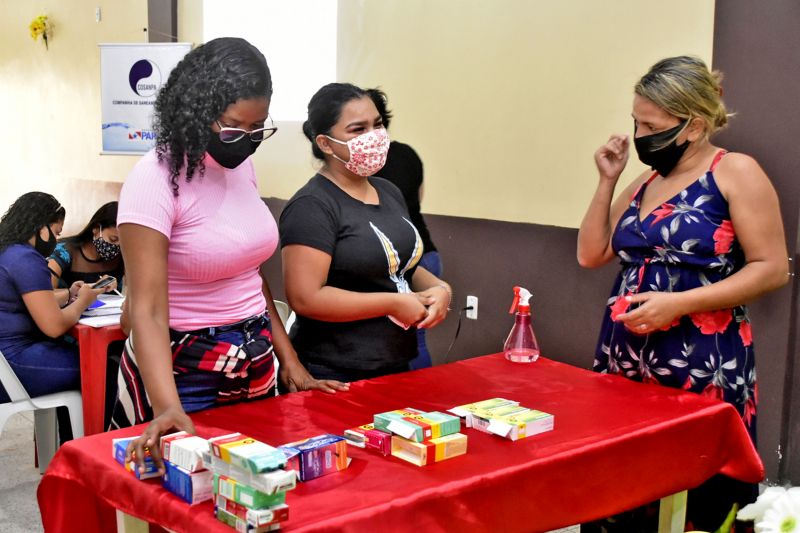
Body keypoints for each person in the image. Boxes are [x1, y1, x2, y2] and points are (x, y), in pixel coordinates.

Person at [113, 37, 348, 474]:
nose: (247, 143)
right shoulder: (154, 180)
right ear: (197, 111)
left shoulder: (242, 167)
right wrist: (166, 405)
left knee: (249, 493)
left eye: (258, 130)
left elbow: (250, 276)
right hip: (183, 372)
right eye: (236, 129)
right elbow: (144, 309)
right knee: (186, 500)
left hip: (252, 362)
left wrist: (290, 362)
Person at [577, 56, 788, 531]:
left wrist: (679, 303)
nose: (639, 134)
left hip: (700, 355)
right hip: (626, 352)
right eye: (636, 120)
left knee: (694, 483)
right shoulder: (646, 181)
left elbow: (772, 269)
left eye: (650, 125)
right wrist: (607, 180)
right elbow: (592, 254)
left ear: (692, 126)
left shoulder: (735, 171)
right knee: (622, 475)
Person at [279, 82, 452, 383]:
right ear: (326, 143)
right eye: (358, 130)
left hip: (395, 362)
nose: (373, 137)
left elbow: (400, 266)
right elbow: (305, 297)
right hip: (334, 370)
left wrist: (440, 288)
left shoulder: (388, 191)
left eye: (377, 125)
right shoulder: (313, 205)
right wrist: (391, 303)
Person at [0, 192, 107, 440]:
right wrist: (83, 302)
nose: (57, 239)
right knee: (103, 369)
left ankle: (70, 445)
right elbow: (54, 326)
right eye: (57, 232)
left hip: (6, 359)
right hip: (14, 364)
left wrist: (69, 293)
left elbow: (32, 298)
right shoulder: (26, 258)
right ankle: (89, 448)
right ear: (41, 227)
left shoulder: (8, 252)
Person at [365, 88, 441, 370]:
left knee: (402, 344)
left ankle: (409, 408)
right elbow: (416, 200)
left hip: (399, 262)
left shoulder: (367, 167)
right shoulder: (408, 154)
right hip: (426, 251)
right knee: (417, 339)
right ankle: (419, 408)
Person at [48, 201, 123, 291]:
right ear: (96, 229)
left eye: (124, 242)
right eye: (113, 239)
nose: (117, 246)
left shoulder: (124, 254)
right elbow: (45, 294)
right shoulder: (63, 251)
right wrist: (86, 289)